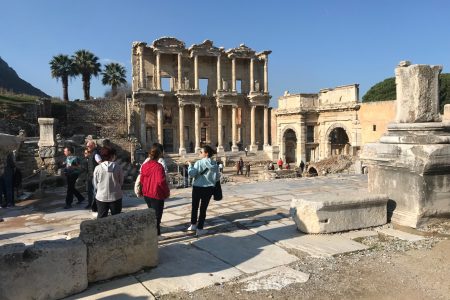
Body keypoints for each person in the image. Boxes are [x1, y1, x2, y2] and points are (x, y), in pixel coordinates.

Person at [187, 145, 218, 236]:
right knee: (203, 209)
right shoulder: (214, 164)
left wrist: (189, 166)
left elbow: (192, 174)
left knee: (195, 206)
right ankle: (200, 228)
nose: (199, 153)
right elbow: (216, 177)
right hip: (208, 188)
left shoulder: (199, 163)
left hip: (197, 187)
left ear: (206, 153)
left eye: (201, 152)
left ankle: (193, 225)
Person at [140, 144, 170, 237]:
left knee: (151, 214)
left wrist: (142, 190)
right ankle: (156, 235)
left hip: (147, 193)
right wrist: (166, 192)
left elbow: (142, 179)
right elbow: (161, 181)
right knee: (157, 216)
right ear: (160, 154)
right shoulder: (159, 166)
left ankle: (153, 233)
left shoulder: (145, 165)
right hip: (156, 194)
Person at [93, 147, 124, 218]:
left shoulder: (97, 168)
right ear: (111, 157)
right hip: (116, 196)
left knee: (101, 218)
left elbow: (95, 183)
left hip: (101, 196)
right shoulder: (118, 167)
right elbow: (121, 181)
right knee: (116, 218)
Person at [86, 140, 102, 210]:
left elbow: (100, 163)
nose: (87, 147)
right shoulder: (91, 153)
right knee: (89, 190)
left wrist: (97, 173)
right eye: (87, 146)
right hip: (90, 175)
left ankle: (95, 205)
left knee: (94, 191)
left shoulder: (95, 154)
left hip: (94, 176)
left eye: (88, 146)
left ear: (92, 146)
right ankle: (90, 204)